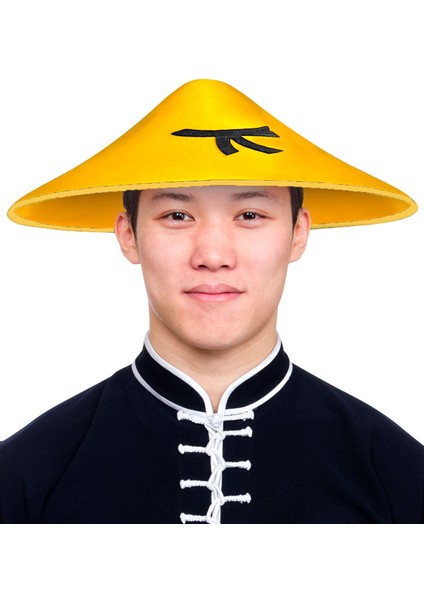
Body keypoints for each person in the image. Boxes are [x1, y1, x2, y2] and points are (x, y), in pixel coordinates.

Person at [1, 79, 423, 524]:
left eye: (250, 215)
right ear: (128, 235)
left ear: (298, 233)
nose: (213, 256)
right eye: (177, 215)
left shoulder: (396, 476)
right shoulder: (25, 475)